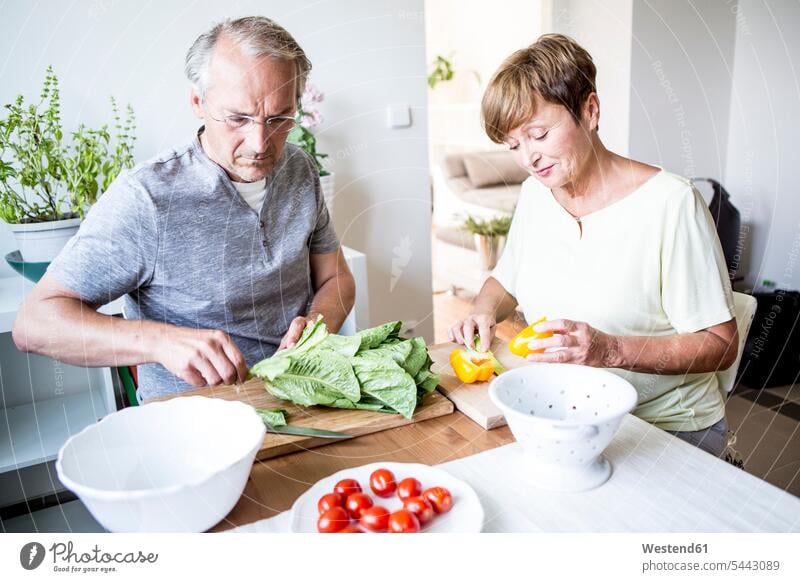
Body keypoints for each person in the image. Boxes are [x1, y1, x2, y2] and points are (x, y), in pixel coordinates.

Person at [12, 16, 355, 402]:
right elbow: (34, 324)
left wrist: (315, 325)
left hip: (303, 401)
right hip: (193, 424)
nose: (260, 142)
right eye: (237, 118)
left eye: (279, 118)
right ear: (198, 102)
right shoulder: (148, 198)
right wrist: (163, 342)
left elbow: (337, 279)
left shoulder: (300, 170)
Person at [448, 34, 738, 457]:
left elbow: (721, 344)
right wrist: (482, 310)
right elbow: (506, 280)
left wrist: (610, 350)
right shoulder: (536, 194)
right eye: (513, 145)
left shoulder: (671, 204)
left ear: (590, 110)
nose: (529, 158)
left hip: (664, 429)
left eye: (540, 134)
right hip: (570, 414)